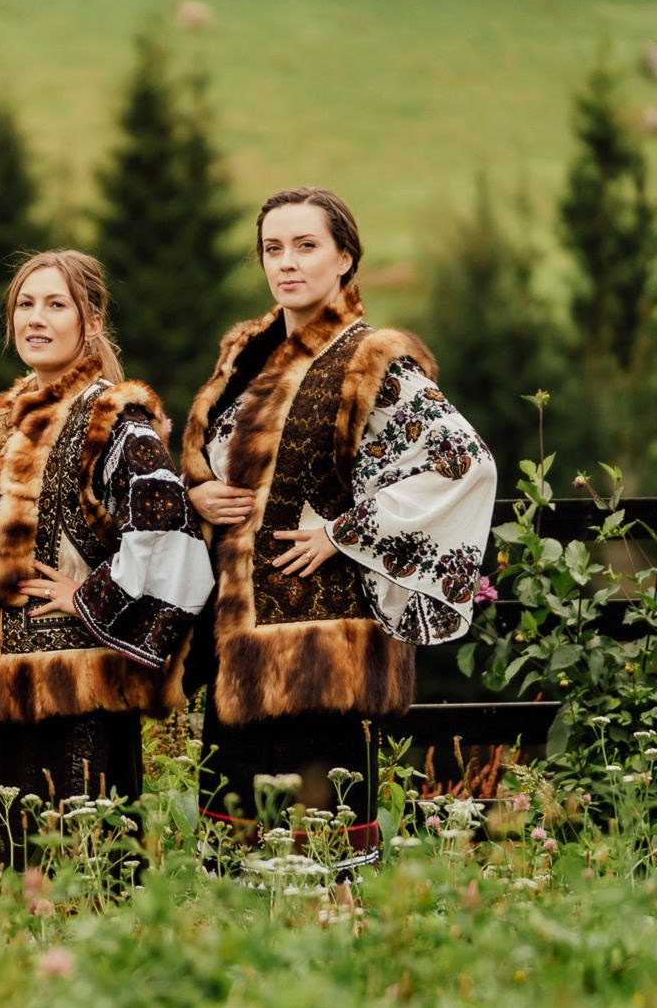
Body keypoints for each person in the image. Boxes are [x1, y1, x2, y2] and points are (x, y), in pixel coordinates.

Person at [181, 186, 495, 869]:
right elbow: (209, 467)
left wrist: (345, 531)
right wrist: (198, 495)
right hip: (236, 642)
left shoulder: (372, 360)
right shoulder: (244, 361)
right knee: (235, 860)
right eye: (272, 248)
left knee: (321, 861)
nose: (286, 263)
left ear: (345, 258)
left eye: (305, 246)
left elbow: (460, 460)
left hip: (323, 648)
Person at [0, 251, 211, 865]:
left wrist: (91, 596)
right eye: (25, 305)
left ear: (92, 317)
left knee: (87, 868)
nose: (36, 318)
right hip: (4, 679)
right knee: (13, 869)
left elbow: (170, 527)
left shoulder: (114, 415)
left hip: (83, 683)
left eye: (56, 305)